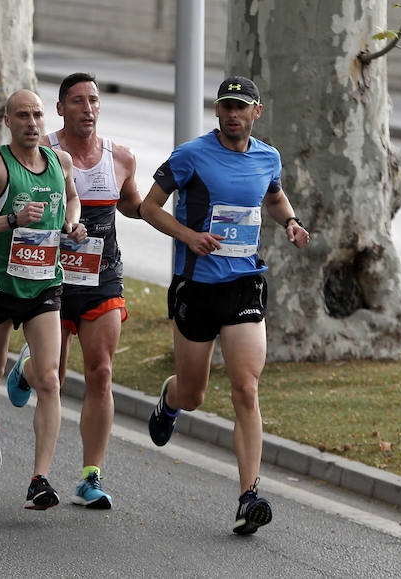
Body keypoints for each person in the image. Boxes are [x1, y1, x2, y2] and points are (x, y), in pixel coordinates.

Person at [139, 76, 310, 534]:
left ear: (257, 111)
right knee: (194, 393)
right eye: (225, 106)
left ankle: (248, 497)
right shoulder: (190, 155)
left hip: (244, 283)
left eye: (241, 106)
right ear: (216, 111)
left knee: (246, 390)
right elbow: (149, 207)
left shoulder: (267, 156)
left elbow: (273, 196)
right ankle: (170, 402)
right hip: (197, 286)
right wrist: (189, 236)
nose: (233, 113)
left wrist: (291, 222)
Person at [0, 89, 86, 510]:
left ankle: (39, 479)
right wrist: (10, 219)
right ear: (8, 121)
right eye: (23, 116)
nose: (32, 123)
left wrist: (73, 223)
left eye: (38, 115)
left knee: (49, 378)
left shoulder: (59, 161)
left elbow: (72, 198)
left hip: (44, 282)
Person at [39, 73, 143, 509]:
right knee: (53, 378)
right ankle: (30, 360)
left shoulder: (119, 157)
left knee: (101, 372)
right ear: (61, 108)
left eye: (94, 100)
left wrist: (177, 210)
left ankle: (90, 476)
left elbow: (134, 205)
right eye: (78, 101)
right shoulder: (42, 151)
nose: (88, 108)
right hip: (52, 276)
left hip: (102, 277)